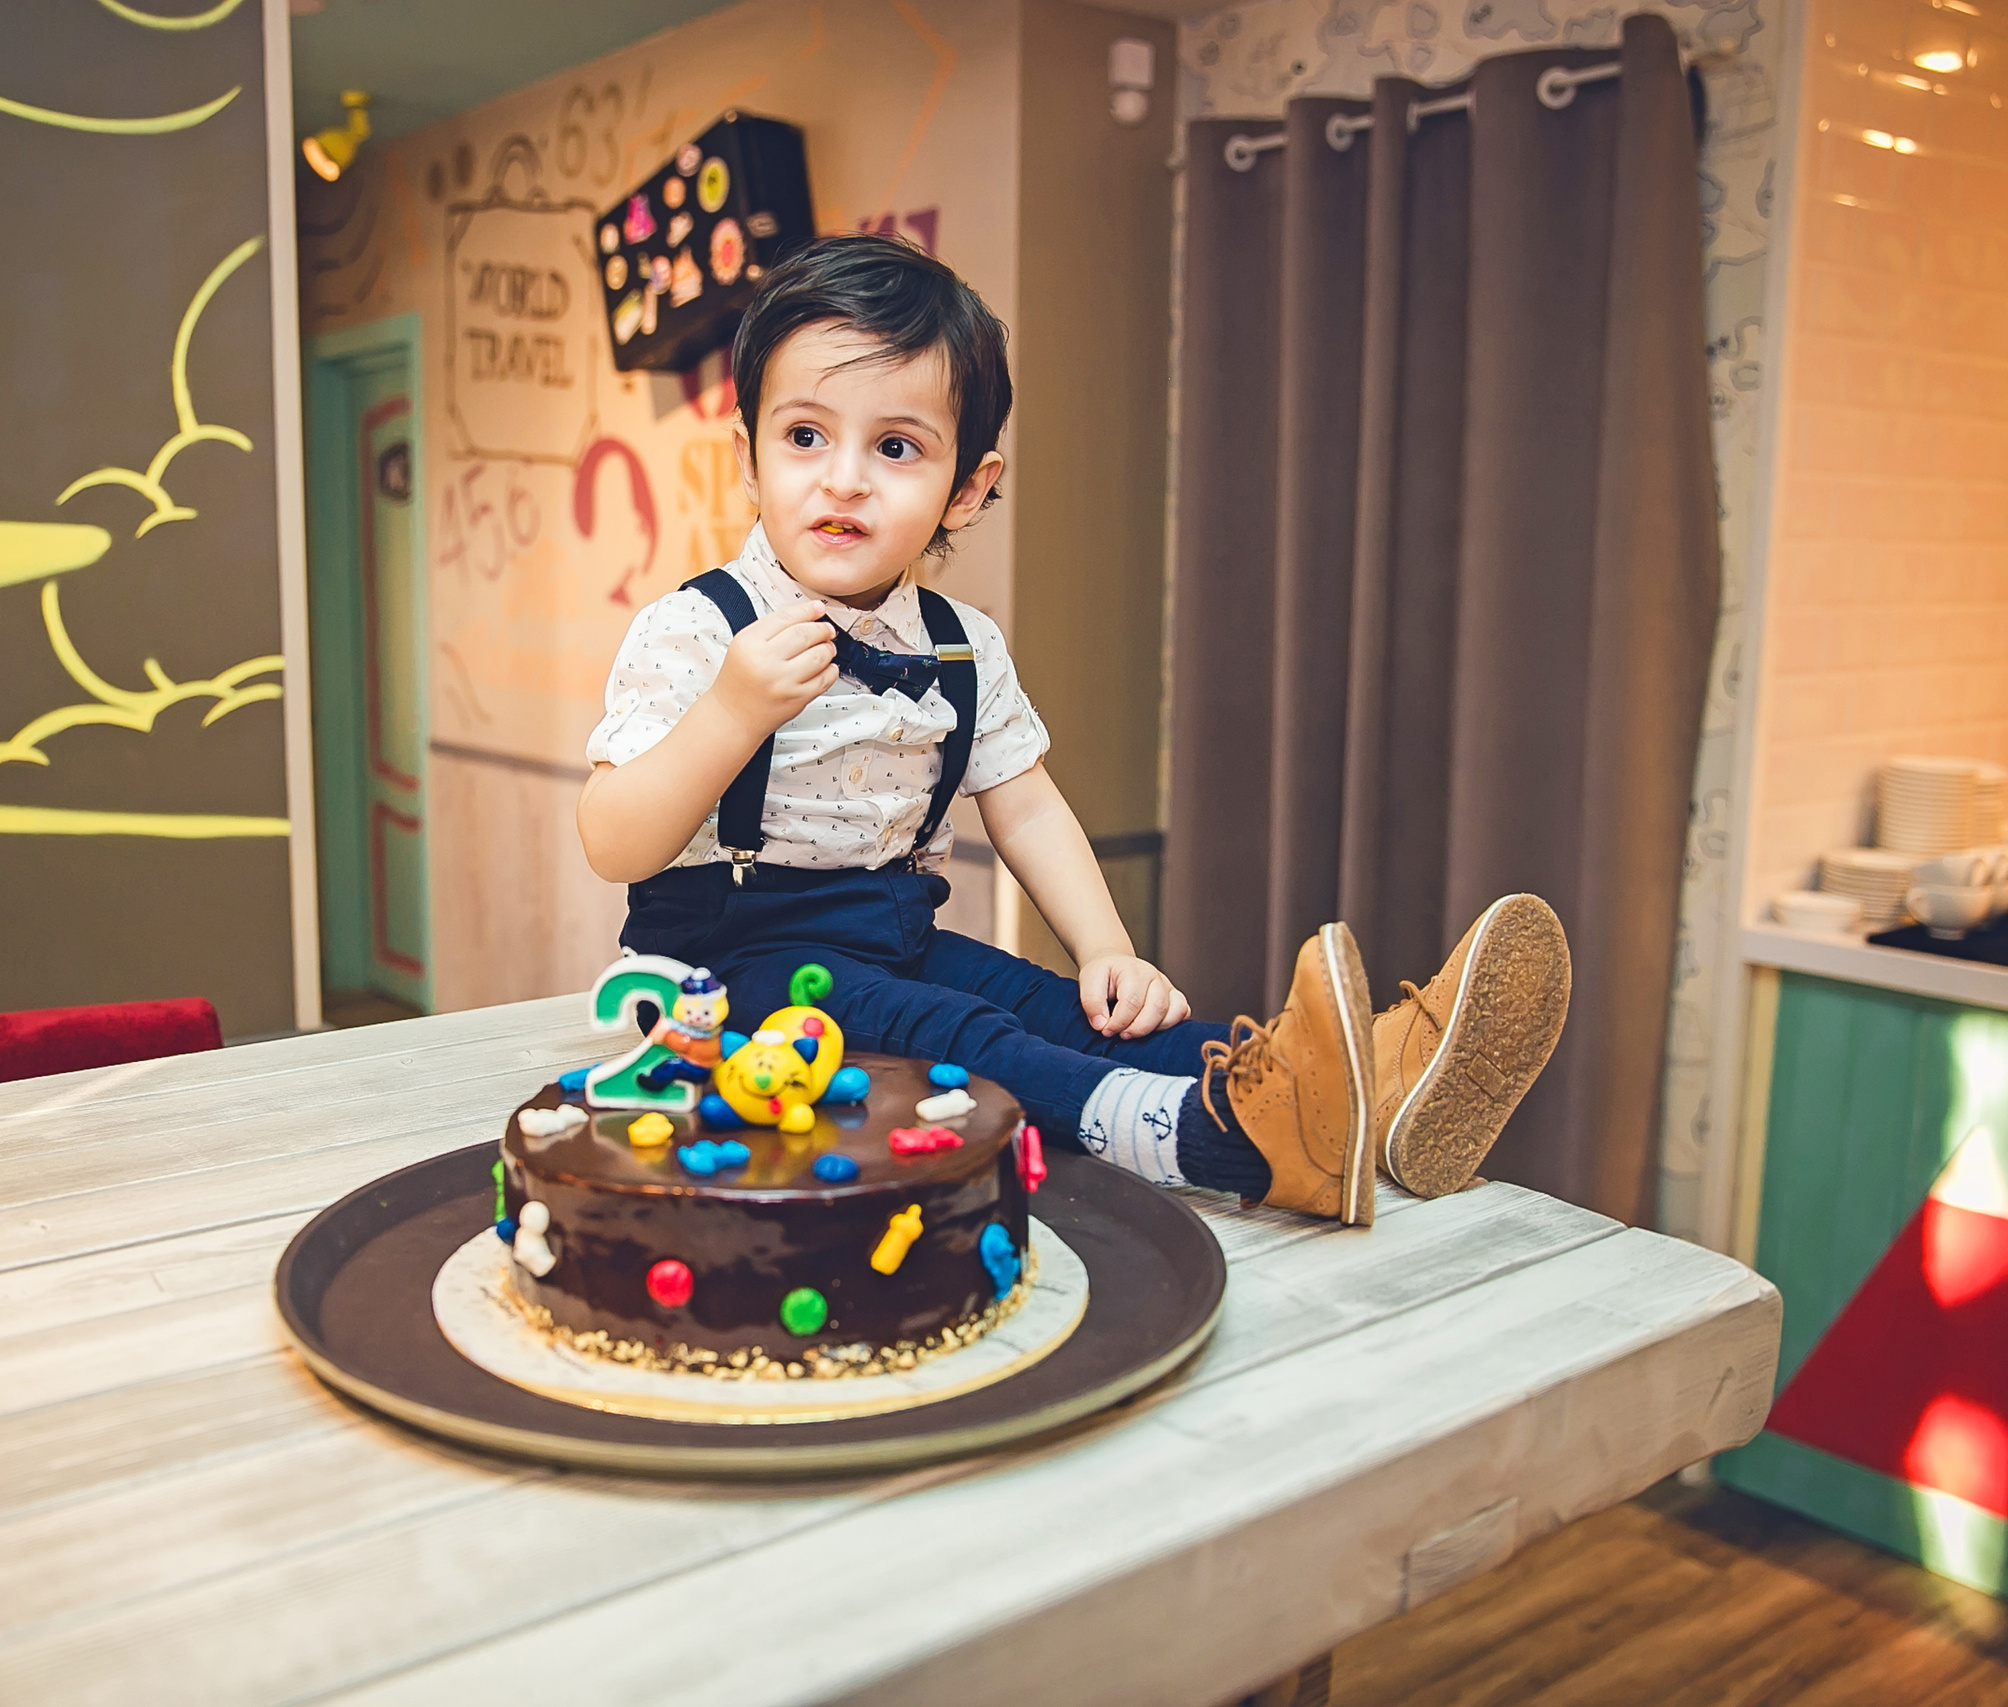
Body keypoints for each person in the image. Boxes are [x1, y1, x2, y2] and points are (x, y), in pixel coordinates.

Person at [578, 235, 1569, 1224]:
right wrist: (730, 713)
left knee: (1058, 1008)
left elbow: (1028, 809)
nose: (843, 480)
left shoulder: (961, 645)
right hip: (729, 976)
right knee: (962, 1035)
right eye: (804, 436)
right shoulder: (698, 628)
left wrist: (1108, 951)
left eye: (895, 448)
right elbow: (614, 842)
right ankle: (1213, 1142)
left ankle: (1363, 1091)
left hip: (896, 939)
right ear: (747, 458)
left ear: (967, 487)